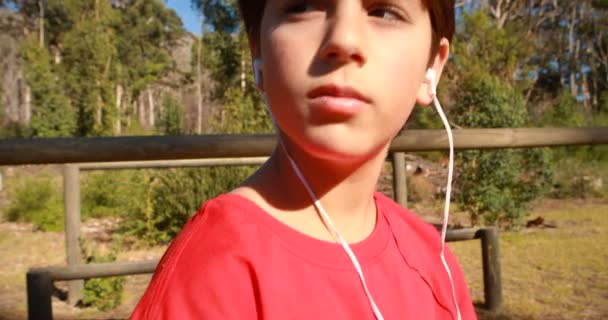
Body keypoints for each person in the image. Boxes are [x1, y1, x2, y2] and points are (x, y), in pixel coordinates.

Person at [131, 0, 477, 319]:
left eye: (384, 12)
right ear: (258, 53)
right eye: (303, 5)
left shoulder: (435, 261)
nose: (344, 40)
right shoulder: (214, 269)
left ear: (432, 67)